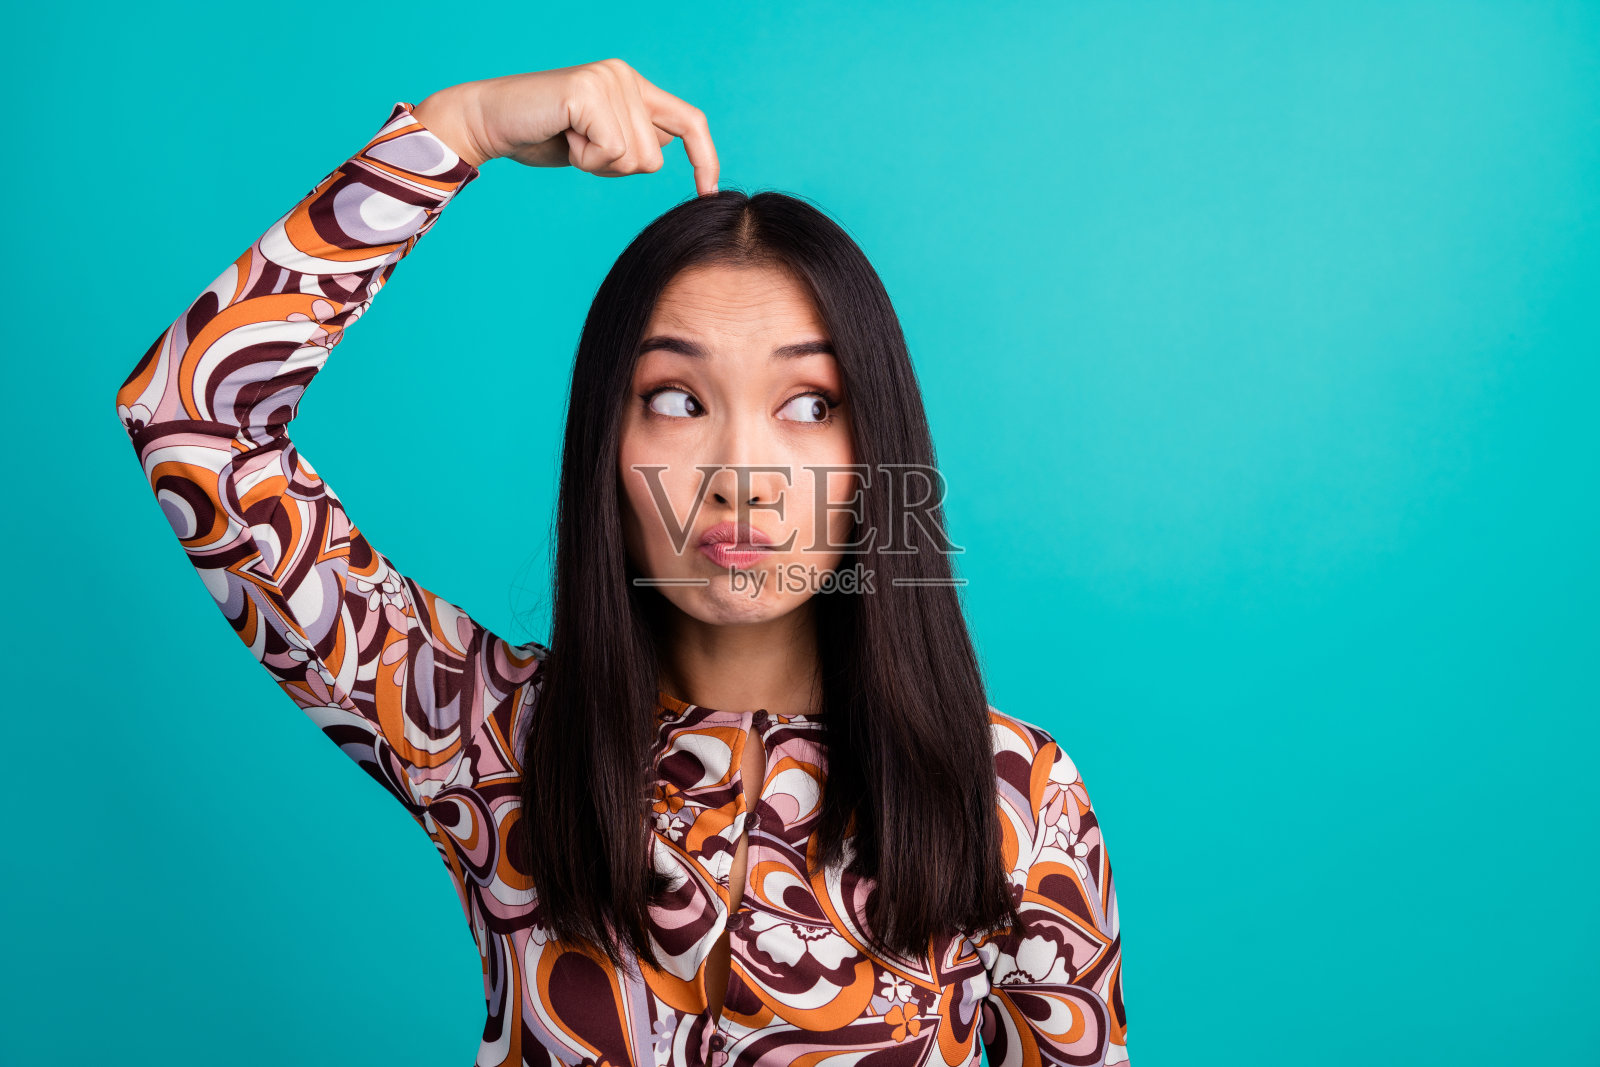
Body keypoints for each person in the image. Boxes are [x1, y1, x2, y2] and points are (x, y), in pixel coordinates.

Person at [114, 59, 1129, 1067]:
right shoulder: (490, 736)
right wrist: (456, 129)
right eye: (676, 399)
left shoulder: (1011, 796)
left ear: (878, 454)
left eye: (810, 404)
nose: (739, 474)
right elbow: (192, 422)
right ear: (605, 442)